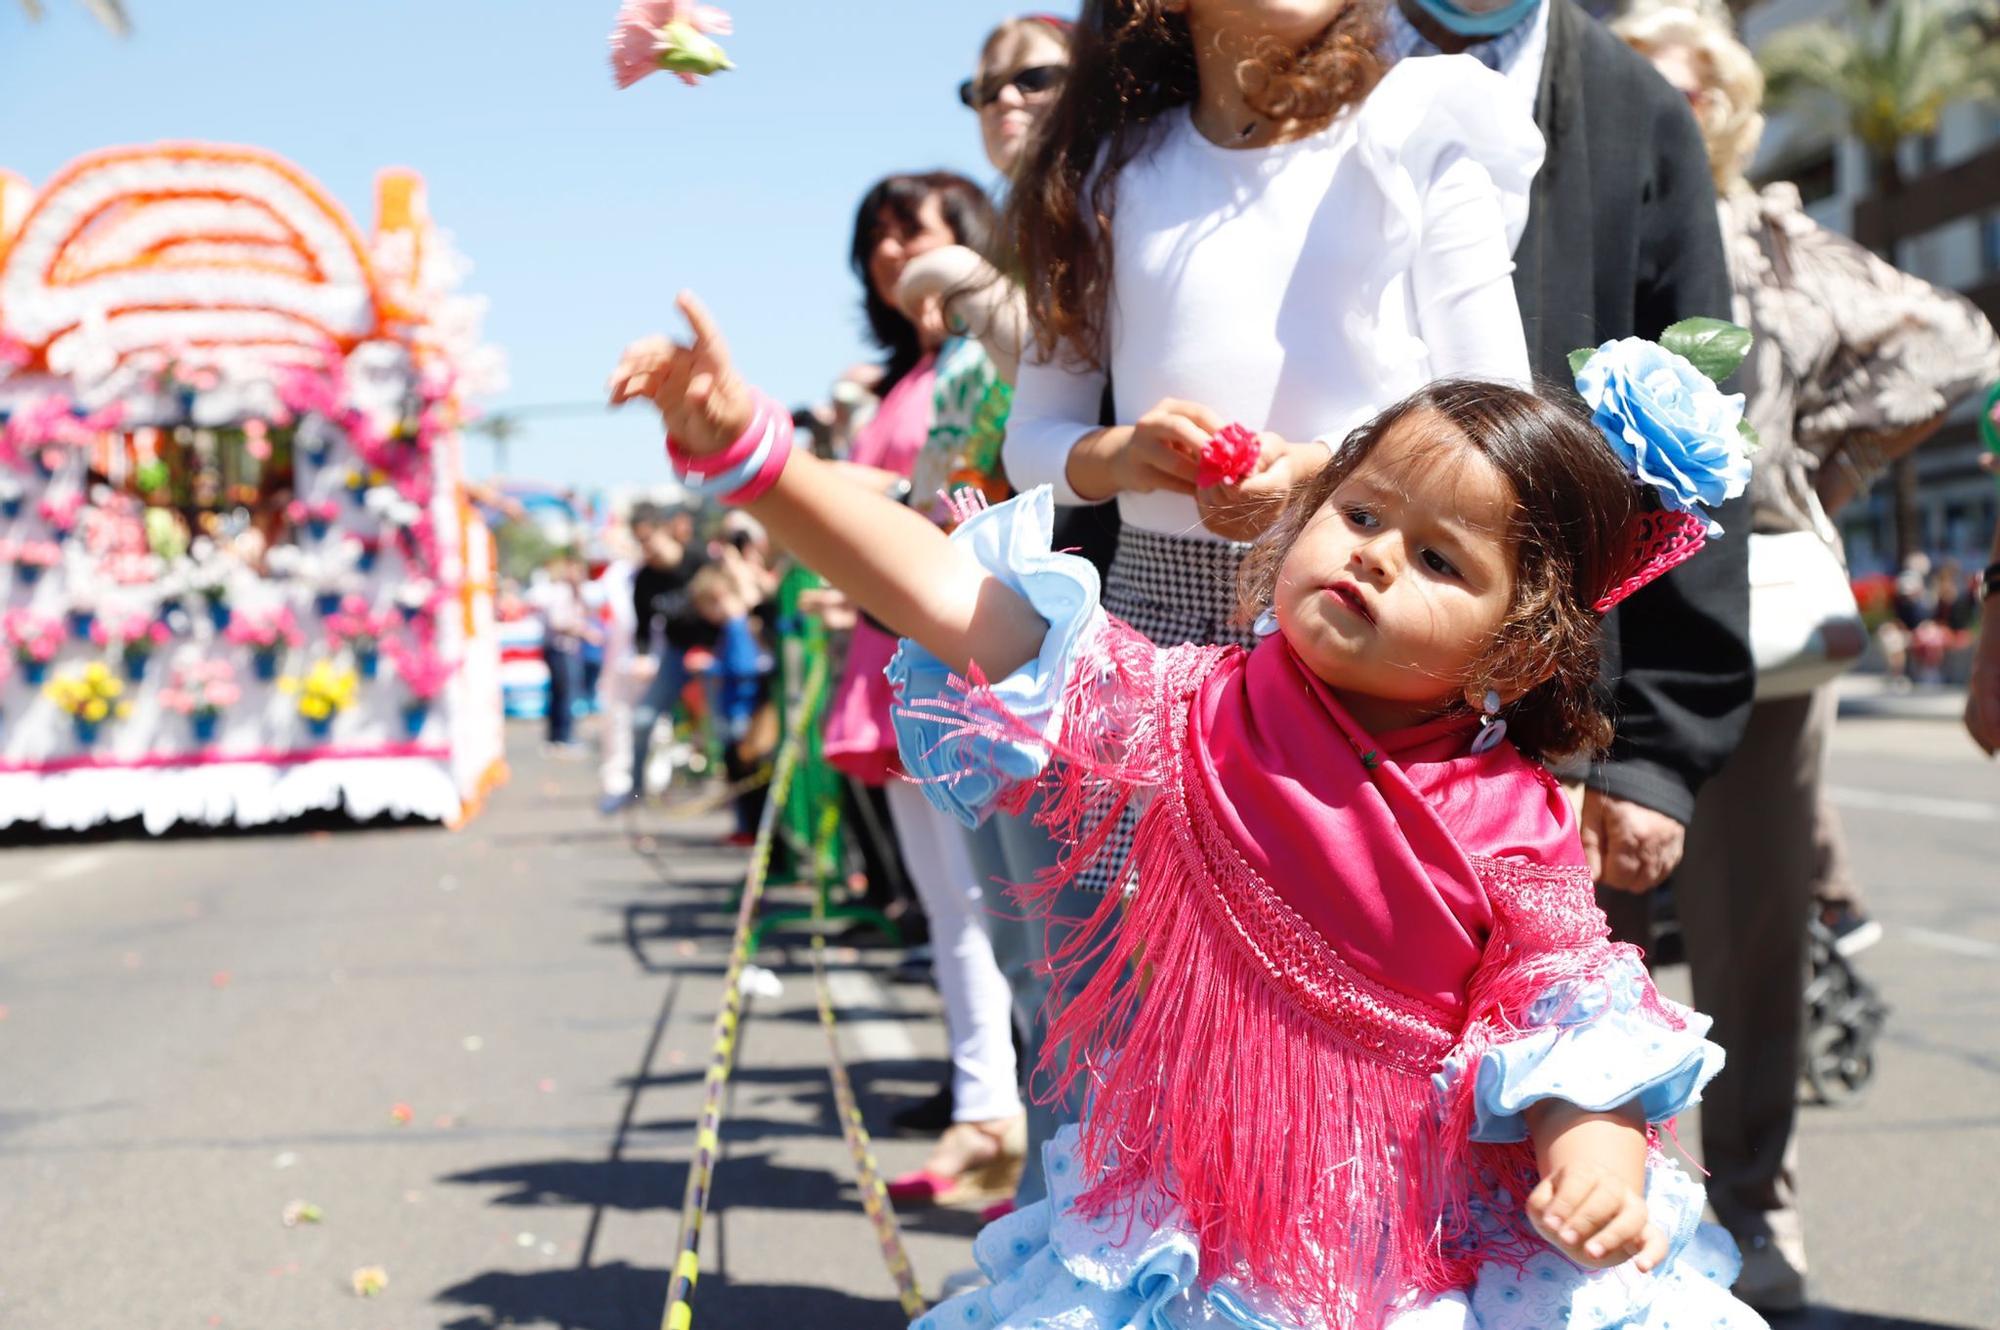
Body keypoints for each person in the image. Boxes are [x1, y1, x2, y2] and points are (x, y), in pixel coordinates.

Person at [611, 296, 1764, 1330]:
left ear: (1516, 643)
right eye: (1358, 512)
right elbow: (948, 594)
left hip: (1417, 1249)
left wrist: (1595, 1154)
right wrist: (750, 454)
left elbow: (1567, 1017)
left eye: (1434, 558)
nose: (1370, 559)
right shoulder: (1181, 706)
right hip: (1197, 1227)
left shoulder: (1507, 815)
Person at [994, 0, 1545, 1193]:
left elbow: (1493, 408)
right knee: (1127, 1032)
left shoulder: (1415, 117)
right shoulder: (1103, 167)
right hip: (1145, 634)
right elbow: (1032, 434)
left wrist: (1324, 480)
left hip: (1357, 650)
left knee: (1339, 1046)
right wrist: (1121, 453)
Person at [1613, 7, 2000, 1310]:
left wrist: (1805, 470)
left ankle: (1753, 1206)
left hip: (1751, 623)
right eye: (1631, 85)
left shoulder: (1765, 241)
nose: (1653, 109)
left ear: (1720, 109)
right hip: (1583, 616)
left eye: (1678, 89)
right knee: (1575, 931)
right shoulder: (1552, 217)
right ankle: (1602, 1210)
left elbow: (1953, 339)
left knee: (1754, 932)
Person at [1388, 0, 1755, 938]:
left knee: (1542, 1060)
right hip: (1278, 683)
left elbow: (1690, 451)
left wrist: (1653, 756)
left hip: (1544, 733)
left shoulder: (1636, 110)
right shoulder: (1285, 49)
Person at [817, 170, 1028, 1203]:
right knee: (950, 907)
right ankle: (984, 1109)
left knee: (998, 903)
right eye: (877, 239)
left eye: (912, 232)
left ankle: (1014, 1111)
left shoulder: (987, 358)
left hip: (959, 648)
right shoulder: (910, 374)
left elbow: (973, 495)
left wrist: (862, 496)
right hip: (888, 649)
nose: (892, 253)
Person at [625, 507, 712, 803]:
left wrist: (708, 650)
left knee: (722, 728)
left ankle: (728, 798)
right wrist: (642, 656)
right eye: (640, 542)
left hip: (713, 653)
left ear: (667, 531)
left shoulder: (699, 560)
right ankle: (635, 789)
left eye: (650, 539)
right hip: (676, 655)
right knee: (642, 720)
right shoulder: (645, 579)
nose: (647, 548)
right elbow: (642, 628)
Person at [527, 552, 598, 750]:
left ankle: (558, 736)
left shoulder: (574, 592)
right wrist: (583, 630)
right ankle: (563, 737)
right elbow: (558, 622)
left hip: (566, 649)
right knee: (565, 694)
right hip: (560, 649)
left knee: (562, 694)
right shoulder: (561, 591)